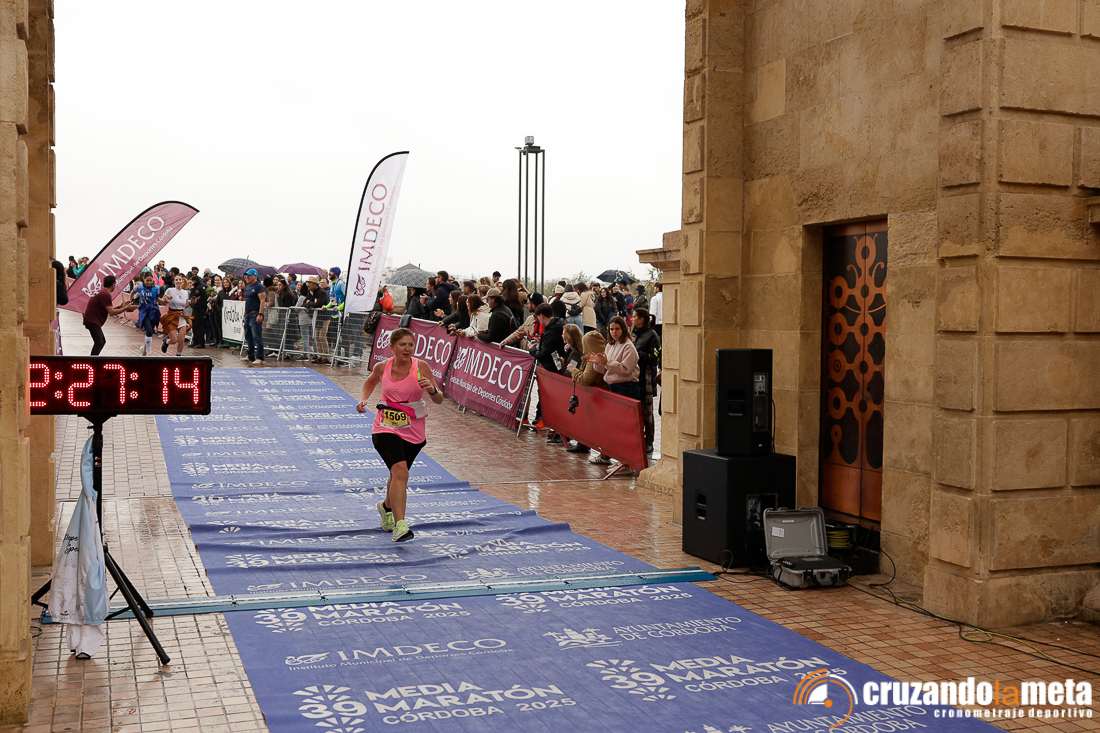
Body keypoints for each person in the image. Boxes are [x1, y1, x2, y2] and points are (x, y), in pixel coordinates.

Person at [356, 327, 445, 542]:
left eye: (410, 345)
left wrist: (431, 390)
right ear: (392, 347)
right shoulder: (382, 367)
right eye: (402, 345)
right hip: (385, 426)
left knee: (397, 474)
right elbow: (370, 381)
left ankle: (386, 507)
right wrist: (363, 399)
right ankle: (401, 526)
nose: (407, 349)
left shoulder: (421, 366)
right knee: (401, 472)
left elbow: (439, 399)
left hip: (413, 429)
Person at [562, 324, 607, 454]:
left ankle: (602, 452)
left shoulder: (590, 358)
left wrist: (573, 370)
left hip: (598, 397)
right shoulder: (591, 356)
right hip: (595, 396)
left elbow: (585, 378)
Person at [632, 307, 661, 454]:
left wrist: (640, 354)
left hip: (647, 378)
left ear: (641, 319)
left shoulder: (652, 335)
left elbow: (656, 354)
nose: (632, 319)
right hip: (635, 377)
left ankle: (649, 441)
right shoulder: (634, 334)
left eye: (634, 316)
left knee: (647, 412)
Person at [82, 275, 135, 354]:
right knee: (99, 342)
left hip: (91, 319)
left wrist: (121, 306)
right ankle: (92, 360)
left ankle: (93, 358)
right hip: (92, 320)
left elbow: (109, 310)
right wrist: (126, 308)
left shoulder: (101, 292)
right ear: (113, 285)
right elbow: (112, 312)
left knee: (101, 342)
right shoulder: (105, 295)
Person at [158, 275, 191, 356]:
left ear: (183, 281)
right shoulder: (170, 290)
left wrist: (191, 303)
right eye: (176, 280)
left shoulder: (186, 292)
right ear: (174, 282)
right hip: (172, 315)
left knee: (181, 339)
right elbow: (163, 300)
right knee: (174, 340)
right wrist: (166, 300)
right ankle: (166, 341)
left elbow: (186, 305)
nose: (178, 281)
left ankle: (178, 356)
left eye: (180, 279)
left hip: (181, 316)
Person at [240, 268, 267, 365]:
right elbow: (246, 302)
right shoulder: (247, 287)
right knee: (248, 336)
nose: (247, 277)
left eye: (249, 275)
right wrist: (244, 314)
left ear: (255, 276)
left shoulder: (259, 286)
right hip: (248, 314)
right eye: (246, 275)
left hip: (255, 313)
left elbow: (262, 301)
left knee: (257, 336)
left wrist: (260, 314)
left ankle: (260, 357)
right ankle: (250, 355)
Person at [130, 272, 161, 355]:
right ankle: (149, 353)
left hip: (153, 310)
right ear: (143, 279)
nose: (149, 282)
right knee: (149, 331)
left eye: (151, 280)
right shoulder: (139, 286)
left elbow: (158, 299)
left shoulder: (156, 288)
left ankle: (143, 349)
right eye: (147, 280)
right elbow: (132, 292)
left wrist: (165, 300)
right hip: (143, 311)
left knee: (150, 332)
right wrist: (130, 301)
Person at [303, 276, 330, 363]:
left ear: (315, 284)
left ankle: (325, 356)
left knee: (322, 337)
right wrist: (310, 304)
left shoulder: (321, 292)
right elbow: (304, 303)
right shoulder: (310, 292)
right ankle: (320, 355)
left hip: (324, 317)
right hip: (316, 317)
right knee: (317, 337)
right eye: (307, 283)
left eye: (309, 284)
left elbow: (318, 304)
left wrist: (309, 303)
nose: (307, 285)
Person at [188, 276, 208, 348]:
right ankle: (195, 341)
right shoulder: (196, 288)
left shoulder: (199, 288)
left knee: (199, 326)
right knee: (195, 325)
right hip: (196, 308)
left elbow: (194, 296)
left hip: (200, 309)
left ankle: (200, 342)